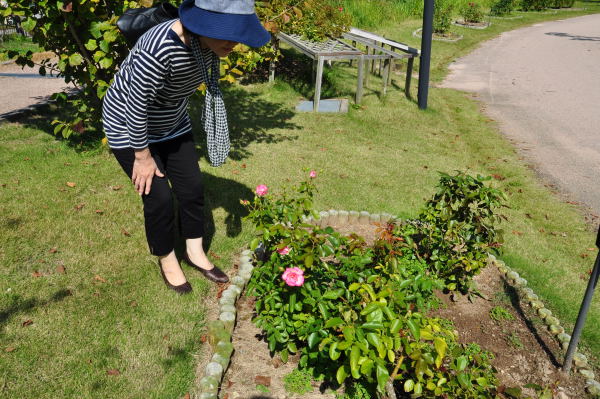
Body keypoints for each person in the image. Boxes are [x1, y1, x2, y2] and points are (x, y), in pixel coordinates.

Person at [101, 0, 270, 293]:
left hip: (171, 123)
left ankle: (194, 252)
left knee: (191, 188)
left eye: (237, 34)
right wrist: (142, 157)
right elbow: (134, 104)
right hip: (128, 127)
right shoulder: (159, 48)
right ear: (202, 25)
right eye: (227, 33)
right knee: (159, 199)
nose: (234, 43)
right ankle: (167, 258)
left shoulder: (210, 44)